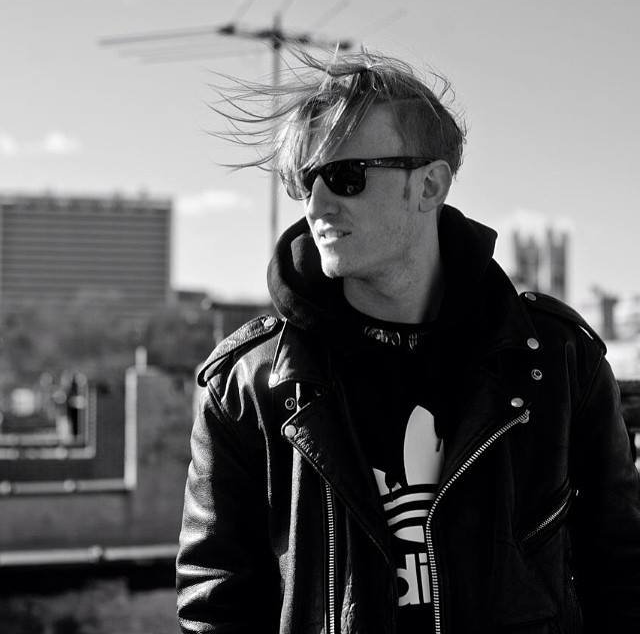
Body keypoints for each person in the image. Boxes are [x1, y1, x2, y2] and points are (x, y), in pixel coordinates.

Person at [176, 48, 640, 634]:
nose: (317, 205)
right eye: (305, 181)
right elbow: (216, 602)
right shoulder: (250, 385)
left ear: (430, 186)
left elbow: (621, 572)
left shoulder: (556, 361)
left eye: (346, 177)